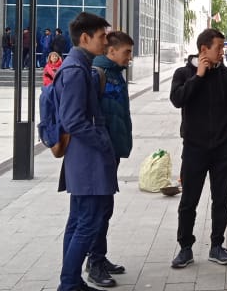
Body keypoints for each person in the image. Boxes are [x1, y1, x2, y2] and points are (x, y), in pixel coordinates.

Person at [169, 28, 227, 269]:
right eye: (218, 47)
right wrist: (198, 77)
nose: (222, 52)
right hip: (194, 150)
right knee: (188, 201)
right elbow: (178, 99)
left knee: (221, 200)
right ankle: (185, 248)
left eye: (223, 47)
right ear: (203, 49)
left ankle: (217, 245)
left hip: (222, 151)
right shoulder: (183, 74)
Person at [55, 12, 117, 291]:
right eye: (102, 37)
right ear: (84, 38)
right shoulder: (75, 70)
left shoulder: (79, 66)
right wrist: (102, 142)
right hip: (87, 158)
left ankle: (71, 281)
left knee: (78, 221)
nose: (105, 42)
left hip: (84, 157)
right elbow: (72, 120)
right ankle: (69, 283)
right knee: (87, 223)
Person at [84, 31, 135, 286]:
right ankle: (94, 263)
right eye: (127, 52)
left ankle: (99, 257)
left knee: (106, 207)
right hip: (99, 154)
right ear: (111, 51)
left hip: (111, 151)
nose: (130, 57)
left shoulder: (115, 74)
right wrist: (102, 144)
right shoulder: (97, 74)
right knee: (98, 209)